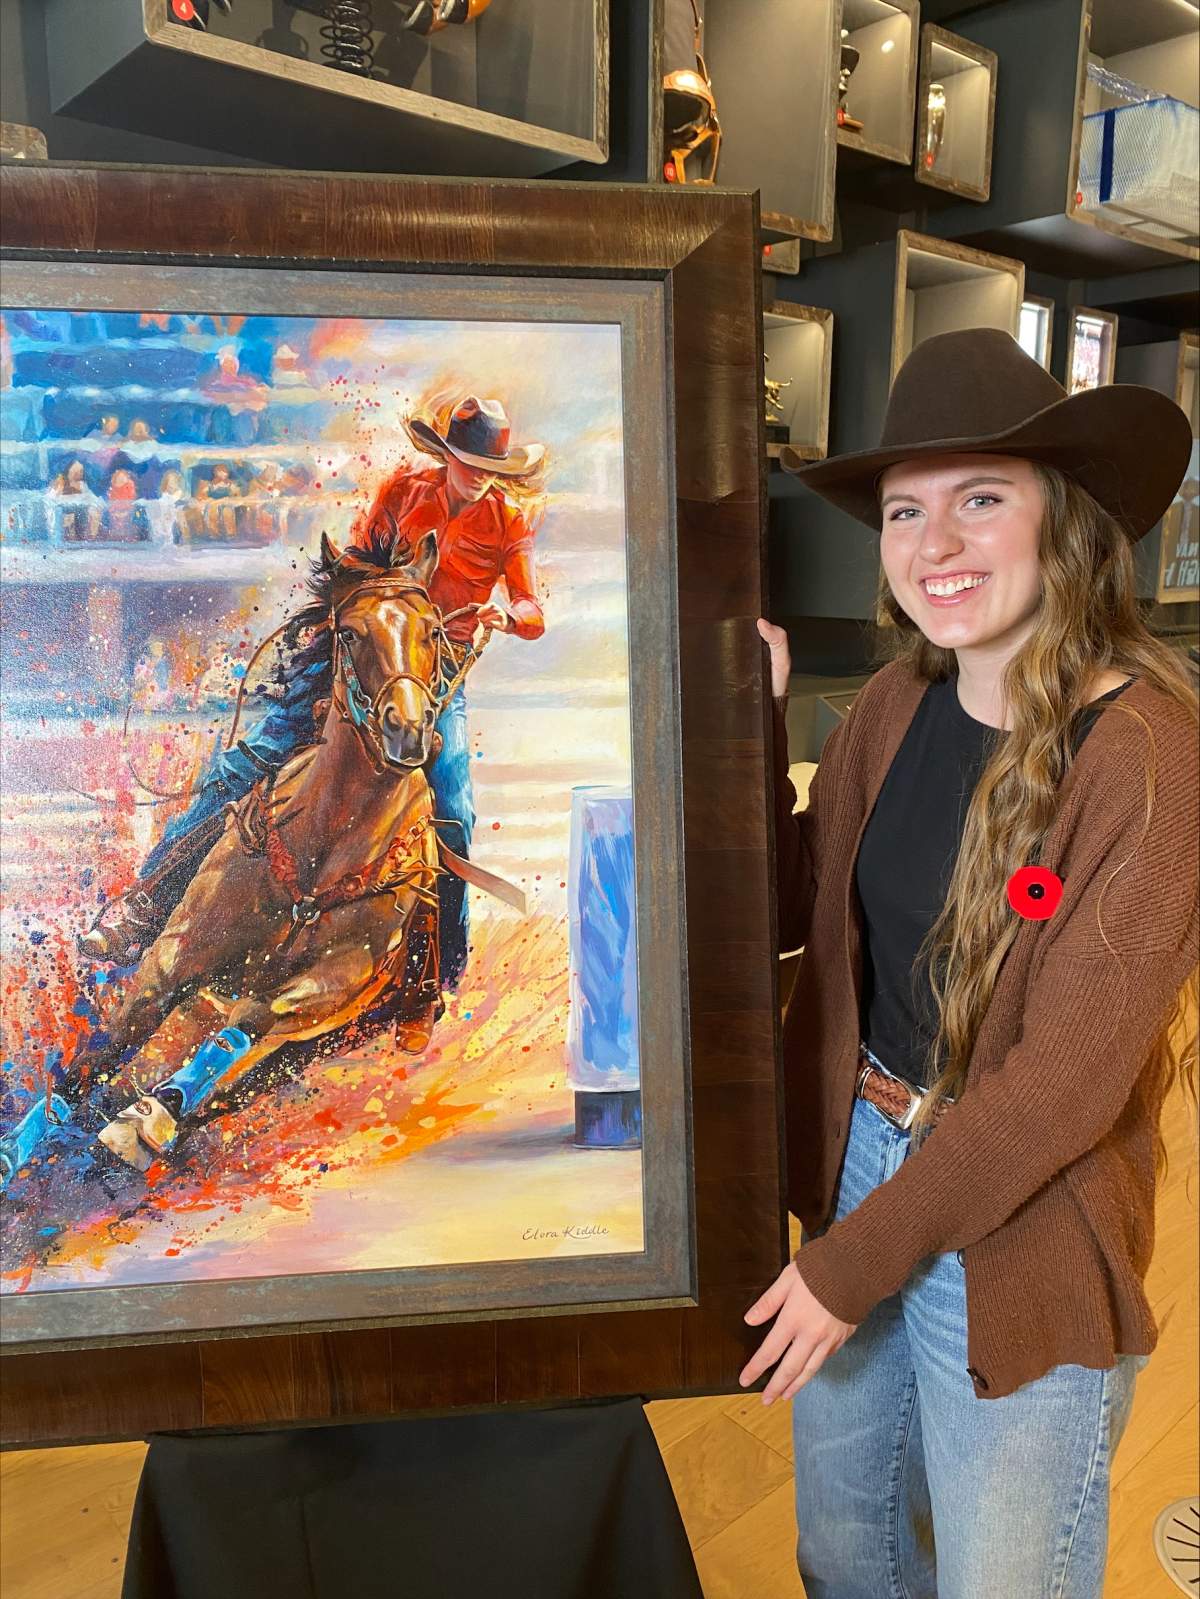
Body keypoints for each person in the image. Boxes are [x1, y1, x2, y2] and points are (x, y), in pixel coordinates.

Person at [743, 328, 1198, 1599]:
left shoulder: (1147, 761)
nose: (935, 546)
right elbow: (790, 912)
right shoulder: (889, 710)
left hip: (1023, 1207)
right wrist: (749, 724)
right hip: (860, 1165)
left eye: (979, 501)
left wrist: (847, 1267)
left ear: (1066, 523)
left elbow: (1060, 1088)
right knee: (847, 1556)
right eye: (905, 513)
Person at [78, 393, 548, 1052]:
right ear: (445, 456)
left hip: (434, 679)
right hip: (366, 653)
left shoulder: (509, 520)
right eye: (465, 462)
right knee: (247, 761)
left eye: (486, 468)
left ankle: (430, 980)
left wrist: (507, 616)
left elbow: (532, 605)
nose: (475, 476)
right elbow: (356, 565)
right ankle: (145, 905)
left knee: (456, 814)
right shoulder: (405, 490)